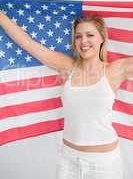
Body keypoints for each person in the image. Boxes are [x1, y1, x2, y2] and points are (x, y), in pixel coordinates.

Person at [0, 11, 133, 179]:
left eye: (90, 35)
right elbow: (28, 44)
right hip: (68, 159)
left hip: (104, 163)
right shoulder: (67, 67)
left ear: (102, 38)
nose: (83, 41)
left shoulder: (115, 70)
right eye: (78, 36)